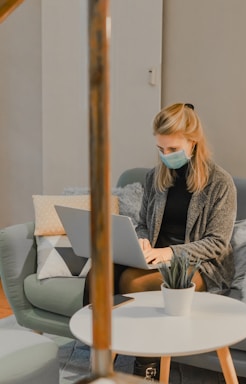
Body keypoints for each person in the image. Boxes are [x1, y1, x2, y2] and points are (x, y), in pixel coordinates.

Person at [83, 102, 237, 380]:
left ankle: (148, 368)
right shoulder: (156, 177)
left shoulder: (220, 183)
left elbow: (217, 244)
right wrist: (142, 242)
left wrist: (168, 252)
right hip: (154, 255)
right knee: (99, 273)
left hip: (200, 266)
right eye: (160, 149)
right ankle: (100, 354)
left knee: (133, 282)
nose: (165, 155)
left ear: (193, 142)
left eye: (173, 149)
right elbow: (143, 223)